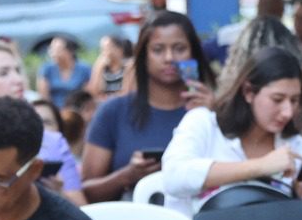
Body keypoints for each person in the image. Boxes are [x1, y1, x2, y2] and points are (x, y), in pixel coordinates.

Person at [161, 45, 302, 218]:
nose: (287, 111)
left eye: (294, 100)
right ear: (248, 92)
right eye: (277, 99)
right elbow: (174, 177)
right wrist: (260, 166)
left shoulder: (295, 146)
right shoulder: (204, 123)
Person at [80, 13, 215, 203]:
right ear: (143, 55)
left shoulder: (213, 111)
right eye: (158, 50)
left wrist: (214, 118)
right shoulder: (113, 112)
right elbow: (86, 191)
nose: (169, 58)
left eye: (179, 49)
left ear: (194, 54)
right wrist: (126, 176)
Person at [0, 44, 84, 205]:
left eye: (17, 71)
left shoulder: (51, 141)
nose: (18, 80)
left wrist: (57, 195)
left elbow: (82, 210)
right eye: (3, 73)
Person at [35, 37, 92, 108]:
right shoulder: (46, 69)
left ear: (69, 52)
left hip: (77, 110)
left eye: (58, 50)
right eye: (51, 49)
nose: (53, 53)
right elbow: (44, 97)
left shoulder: (84, 69)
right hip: (55, 109)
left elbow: (87, 95)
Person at [84, 34, 133, 100]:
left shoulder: (129, 66)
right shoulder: (102, 68)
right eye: (102, 49)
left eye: (106, 48)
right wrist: (98, 69)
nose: (103, 53)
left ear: (119, 50)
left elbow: (127, 93)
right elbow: (93, 93)